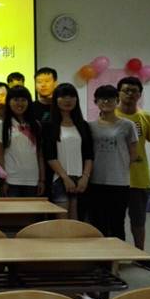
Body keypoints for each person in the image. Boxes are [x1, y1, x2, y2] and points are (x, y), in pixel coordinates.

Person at [88, 85, 137, 240]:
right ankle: (100, 255)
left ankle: (117, 254)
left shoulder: (128, 125)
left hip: (119, 181)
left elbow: (133, 154)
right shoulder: (90, 126)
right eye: (102, 98)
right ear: (96, 102)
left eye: (110, 98)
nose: (106, 102)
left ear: (117, 101)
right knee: (98, 223)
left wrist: (119, 168)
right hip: (96, 180)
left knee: (117, 223)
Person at [115, 77, 150, 267]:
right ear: (119, 93)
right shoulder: (110, 115)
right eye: (126, 90)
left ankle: (140, 257)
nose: (130, 94)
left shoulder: (147, 118)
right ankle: (113, 257)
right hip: (114, 178)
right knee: (114, 220)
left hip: (139, 178)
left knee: (138, 221)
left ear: (140, 94)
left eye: (134, 91)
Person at [42, 83, 93, 220]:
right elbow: (50, 155)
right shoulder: (49, 125)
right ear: (56, 100)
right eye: (63, 96)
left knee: (76, 221)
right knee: (63, 223)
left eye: (71, 96)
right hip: (59, 178)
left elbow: (89, 155)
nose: (68, 100)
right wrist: (65, 178)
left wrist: (85, 177)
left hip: (80, 179)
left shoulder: (83, 125)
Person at [0, 86, 44, 197]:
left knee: (31, 209)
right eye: (16, 100)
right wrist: (4, 179)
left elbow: (40, 155)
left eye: (23, 100)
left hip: (33, 180)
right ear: (9, 102)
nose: (20, 103)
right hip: (11, 181)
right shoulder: (1, 125)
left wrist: (42, 179)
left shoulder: (36, 125)